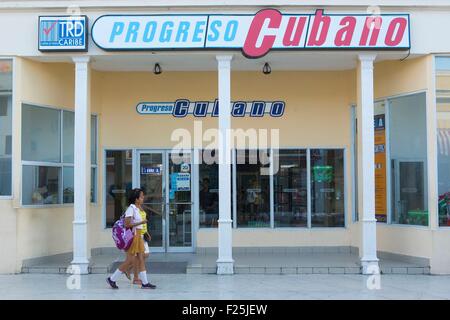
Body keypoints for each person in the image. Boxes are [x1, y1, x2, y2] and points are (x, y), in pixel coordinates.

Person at [107, 188, 156, 289]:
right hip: (134, 237)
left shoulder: (138, 208)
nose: (143, 198)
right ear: (136, 199)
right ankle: (112, 279)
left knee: (141, 259)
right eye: (141, 196)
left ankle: (145, 283)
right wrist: (141, 223)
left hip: (139, 236)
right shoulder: (131, 208)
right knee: (129, 261)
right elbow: (127, 223)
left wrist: (145, 231)